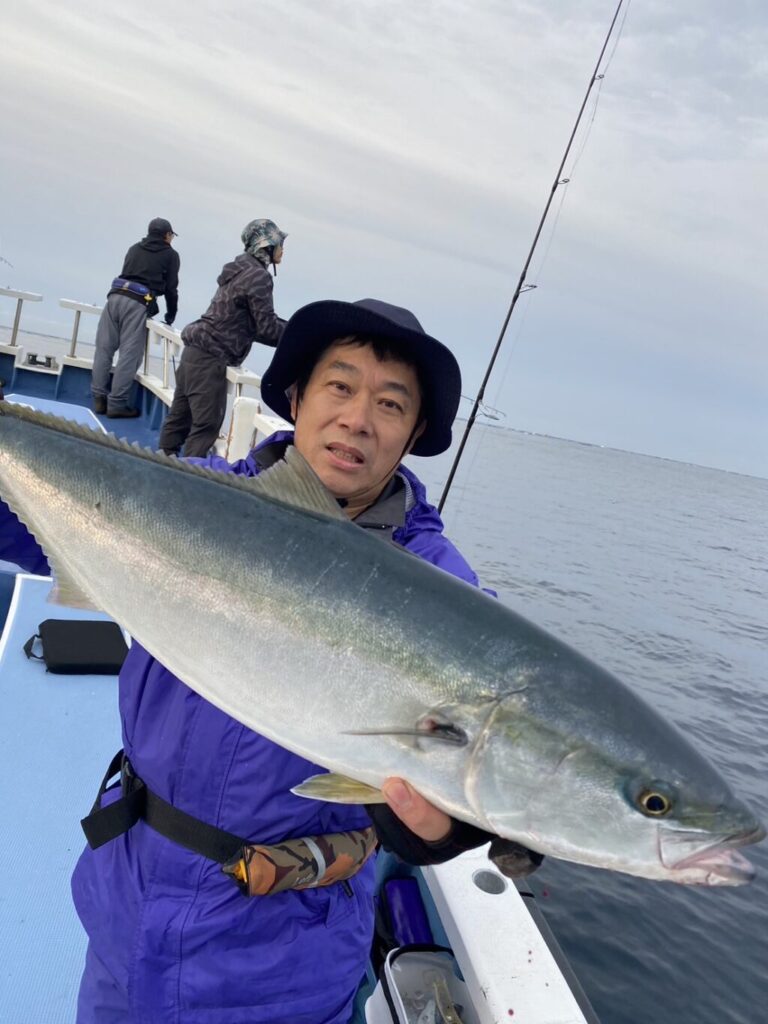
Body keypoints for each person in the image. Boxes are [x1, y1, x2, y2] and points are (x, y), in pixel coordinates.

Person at [0, 298, 541, 1024]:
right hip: (127, 903)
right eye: (340, 386)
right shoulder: (195, 492)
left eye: (390, 404)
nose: (358, 418)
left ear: (413, 434)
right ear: (296, 397)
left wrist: (450, 828)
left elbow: (464, 774)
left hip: (281, 960)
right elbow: (22, 528)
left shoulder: (443, 590)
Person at [158, 218, 287, 458]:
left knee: (178, 420)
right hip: (210, 358)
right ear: (267, 246)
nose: (283, 250)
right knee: (205, 427)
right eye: (280, 244)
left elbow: (252, 324)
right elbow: (268, 328)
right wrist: (299, 334)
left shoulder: (239, 269)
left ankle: (160, 463)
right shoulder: (259, 276)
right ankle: (189, 475)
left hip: (193, 352)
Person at [91, 217, 180, 418]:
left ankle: (98, 398)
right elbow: (171, 288)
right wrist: (170, 314)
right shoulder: (171, 255)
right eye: (172, 235)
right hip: (137, 303)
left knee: (104, 349)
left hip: (114, 297)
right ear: (167, 235)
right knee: (129, 355)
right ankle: (116, 404)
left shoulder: (134, 249)